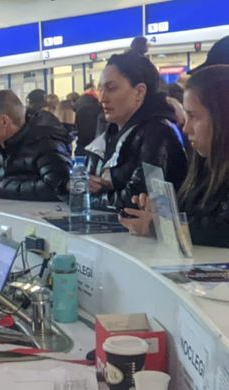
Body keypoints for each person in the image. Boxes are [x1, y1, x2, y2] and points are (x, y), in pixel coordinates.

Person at [120, 66, 229, 248]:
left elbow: (222, 229)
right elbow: (196, 216)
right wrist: (160, 210)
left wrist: (159, 225)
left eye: (194, 117)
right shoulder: (203, 167)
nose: (186, 129)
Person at [86, 52, 188, 212]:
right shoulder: (109, 132)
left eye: (111, 88)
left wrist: (89, 197)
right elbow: (86, 181)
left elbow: (137, 199)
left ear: (139, 91)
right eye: (101, 89)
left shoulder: (159, 133)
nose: (102, 98)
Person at [0, 90, 72, 201]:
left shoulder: (45, 140)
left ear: (4, 121)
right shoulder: (1, 145)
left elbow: (58, 187)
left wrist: (5, 189)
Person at [75, 82, 104, 156]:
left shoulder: (78, 102)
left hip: (81, 142)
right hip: (95, 143)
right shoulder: (96, 103)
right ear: (93, 90)